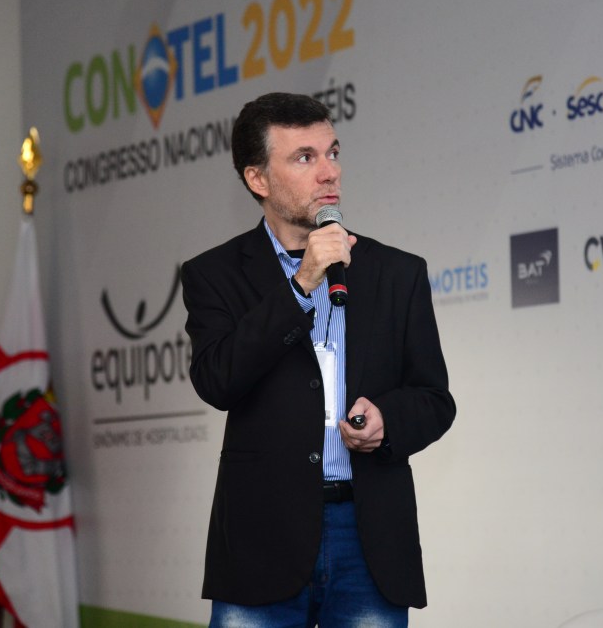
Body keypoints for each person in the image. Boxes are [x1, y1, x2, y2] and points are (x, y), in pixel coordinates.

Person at [181, 92, 456, 627]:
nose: (329, 171)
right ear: (258, 179)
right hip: (261, 538)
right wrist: (302, 282)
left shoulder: (397, 273)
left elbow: (434, 400)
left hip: (368, 538)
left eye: (332, 152)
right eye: (304, 157)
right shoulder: (214, 274)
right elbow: (217, 380)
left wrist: (388, 420)